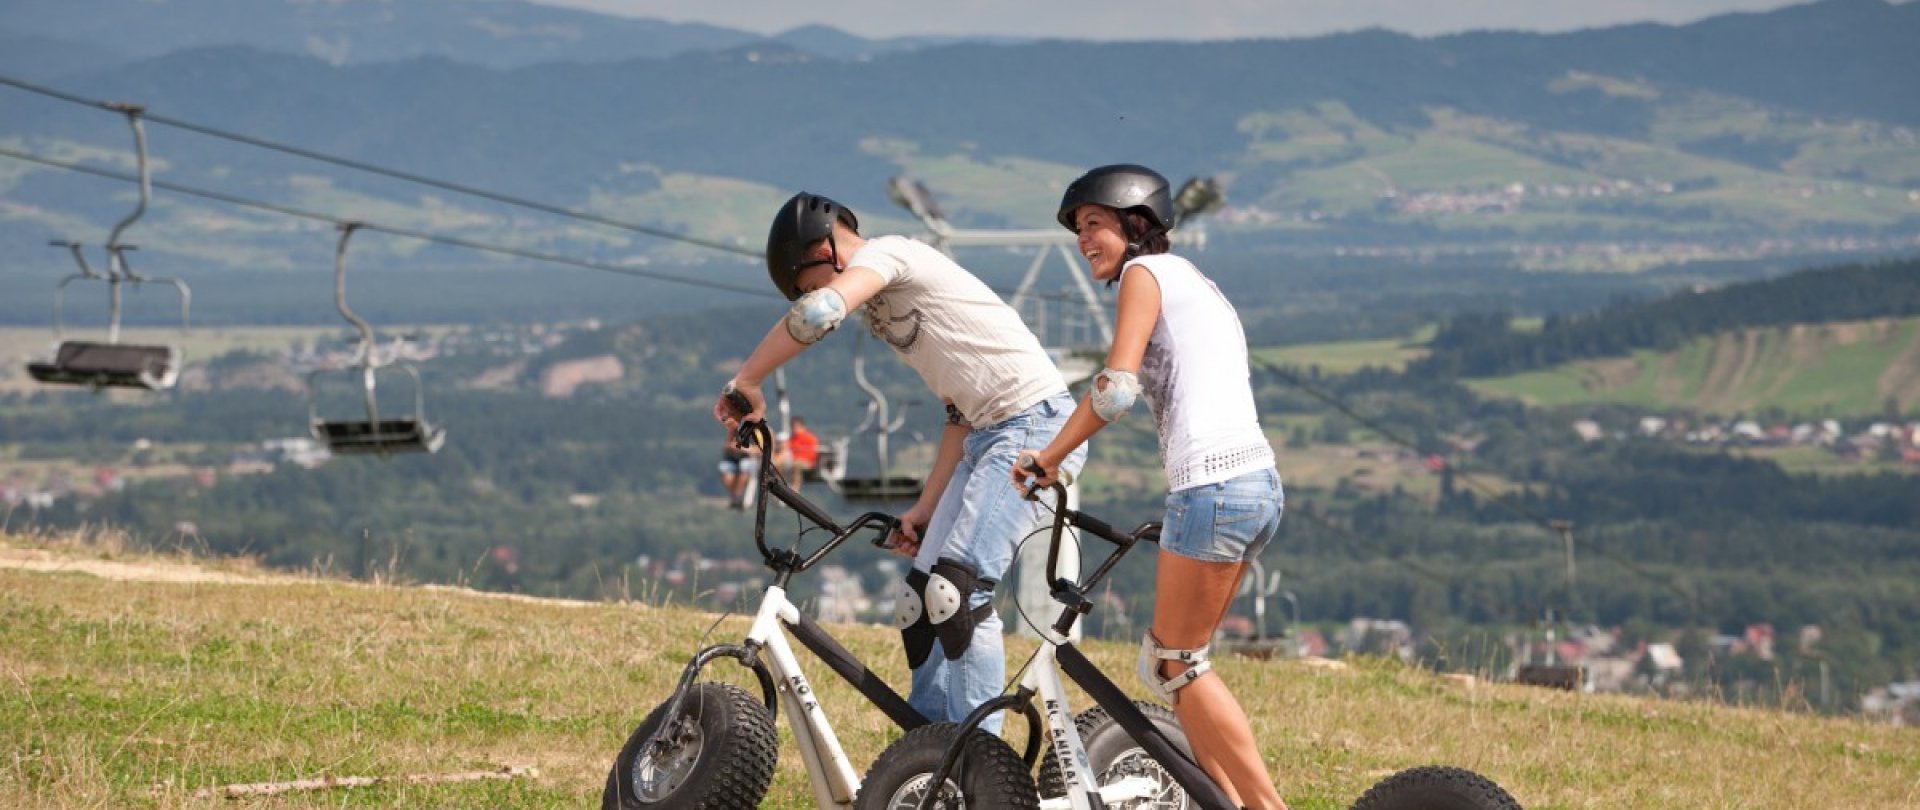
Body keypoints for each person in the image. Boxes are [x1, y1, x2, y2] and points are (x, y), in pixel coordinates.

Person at [713, 191, 1087, 730]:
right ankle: (929, 755)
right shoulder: (885, 308)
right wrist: (926, 507)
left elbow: (818, 313)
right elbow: (959, 413)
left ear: (824, 247)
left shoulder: (890, 255)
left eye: (807, 281)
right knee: (919, 603)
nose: (813, 294)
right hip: (987, 435)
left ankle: (980, 765)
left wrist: (747, 379)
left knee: (958, 592)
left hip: (1035, 426)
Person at [1013, 164, 1288, 809]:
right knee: (1171, 664)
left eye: (1094, 224)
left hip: (1213, 488)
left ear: (1136, 224)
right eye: (1079, 229)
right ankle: (1230, 801)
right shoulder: (1195, 280)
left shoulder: (1143, 274)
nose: (1084, 240)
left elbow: (1116, 388)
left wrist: (1050, 456)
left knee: (1177, 664)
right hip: (1255, 484)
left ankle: (1264, 807)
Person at [718, 430, 760, 509]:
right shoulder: (734, 431)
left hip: (748, 460)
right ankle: (735, 495)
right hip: (734, 460)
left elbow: (759, 450)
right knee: (724, 468)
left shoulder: (756, 434)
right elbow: (727, 445)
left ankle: (737, 495)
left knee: (744, 466)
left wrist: (744, 449)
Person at [787, 416, 820, 484]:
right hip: (792, 461)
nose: (794, 429)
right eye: (793, 427)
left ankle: (794, 489)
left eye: (796, 427)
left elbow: (812, 454)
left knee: (796, 465)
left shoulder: (810, 438)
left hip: (807, 463)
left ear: (803, 427)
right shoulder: (791, 439)